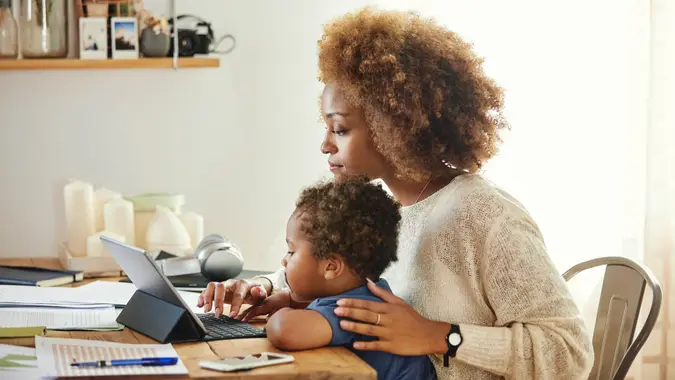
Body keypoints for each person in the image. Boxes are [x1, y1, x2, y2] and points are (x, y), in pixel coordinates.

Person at [197, 6, 594, 380]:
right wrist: (269, 288)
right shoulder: (383, 210)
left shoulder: (485, 215)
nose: (325, 146)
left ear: (397, 125)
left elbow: (570, 352)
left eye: (340, 129)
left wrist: (442, 336)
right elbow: (338, 278)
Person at [260, 176, 437, 380]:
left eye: (291, 251)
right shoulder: (371, 292)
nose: (284, 261)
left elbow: (285, 330)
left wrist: (280, 315)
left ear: (331, 266)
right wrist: (289, 300)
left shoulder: (357, 309)